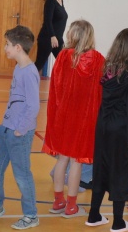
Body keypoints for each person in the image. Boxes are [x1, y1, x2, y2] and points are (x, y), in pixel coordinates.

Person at [0, 26, 41, 230]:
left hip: (19, 134)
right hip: (6, 130)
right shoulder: (18, 68)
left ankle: (31, 215)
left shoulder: (29, 72)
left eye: (7, 44)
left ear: (18, 47)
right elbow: (15, 100)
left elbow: (33, 106)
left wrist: (20, 130)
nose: (5, 48)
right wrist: (5, 125)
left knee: (22, 175)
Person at [42, 19, 105, 218]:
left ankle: (58, 201)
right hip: (84, 118)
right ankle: (71, 206)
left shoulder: (63, 56)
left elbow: (55, 86)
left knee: (62, 159)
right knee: (77, 162)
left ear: (72, 35)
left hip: (63, 116)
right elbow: (103, 89)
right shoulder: (98, 59)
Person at [85, 28, 128, 232]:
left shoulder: (108, 69)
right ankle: (118, 222)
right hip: (122, 129)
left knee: (101, 168)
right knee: (121, 171)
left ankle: (94, 215)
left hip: (103, 124)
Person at [34, 0, 69, 72]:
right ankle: (25, 79)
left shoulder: (61, 2)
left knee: (64, 63)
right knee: (39, 64)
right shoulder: (50, 1)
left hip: (58, 39)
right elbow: (48, 21)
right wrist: (52, 36)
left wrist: (58, 38)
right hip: (47, 38)